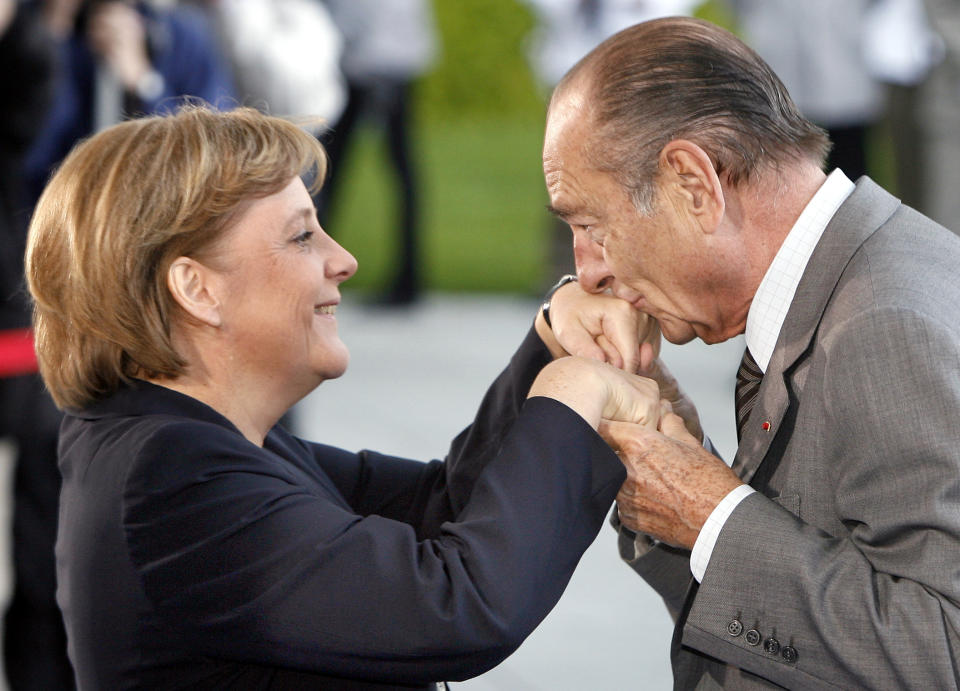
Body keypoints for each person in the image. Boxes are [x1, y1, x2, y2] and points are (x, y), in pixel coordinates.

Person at [24, 105, 668, 689]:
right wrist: (569, 399)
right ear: (197, 289)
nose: (344, 259)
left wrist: (555, 343)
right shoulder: (171, 478)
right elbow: (456, 608)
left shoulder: (184, 442)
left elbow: (440, 510)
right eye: (302, 237)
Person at [541, 16, 960, 688]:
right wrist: (681, 490)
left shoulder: (881, 326)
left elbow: (943, 648)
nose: (585, 271)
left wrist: (714, 515)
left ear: (693, 184)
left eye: (592, 225)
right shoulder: (839, 287)